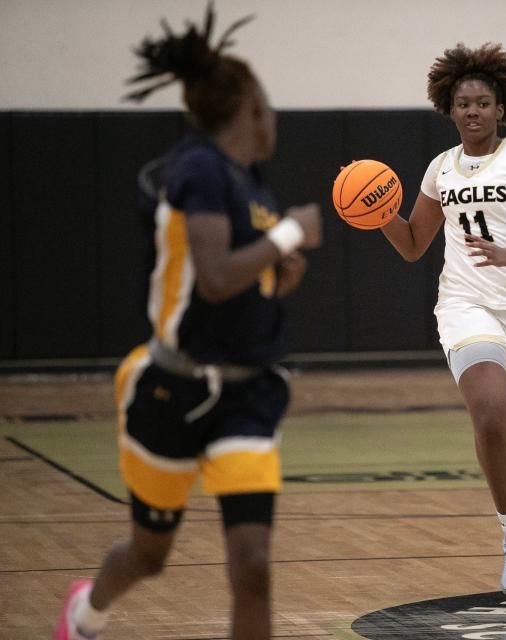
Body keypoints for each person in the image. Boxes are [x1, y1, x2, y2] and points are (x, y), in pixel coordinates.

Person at [54, 6, 321, 639]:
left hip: (248, 394)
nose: (275, 117)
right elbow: (213, 276)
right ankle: (86, 613)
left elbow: (240, 277)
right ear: (251, 110)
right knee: (150, 555)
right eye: (270, 106)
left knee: (253, 565)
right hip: (171, 390)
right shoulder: (198, 167)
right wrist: (290, 232)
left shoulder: (250, 183)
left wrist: (278, 275)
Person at [379, 42, 506, 594]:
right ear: (449, 107)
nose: (471, 111)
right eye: (462, 103)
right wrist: (375, 216)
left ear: (500, 108)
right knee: (490, 416)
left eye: (482, 103)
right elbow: (415, 244)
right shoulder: (441, 168)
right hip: (465, 304)